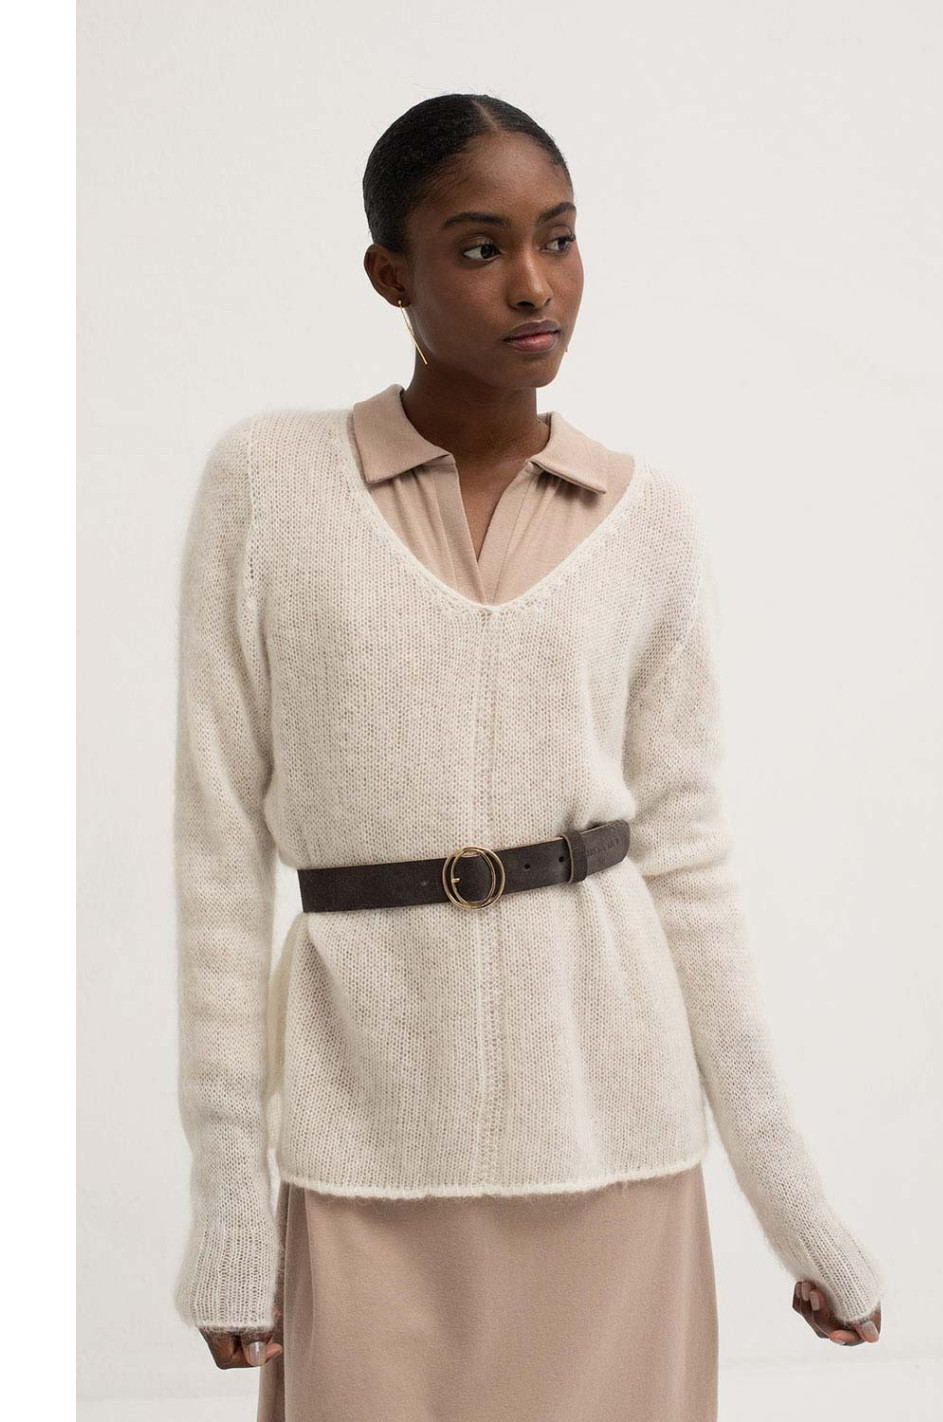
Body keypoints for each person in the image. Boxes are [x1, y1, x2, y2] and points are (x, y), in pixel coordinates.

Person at [171, 93, 884, 1421]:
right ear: (391, 273)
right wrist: (228, 1199)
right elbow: (217, 855)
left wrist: (798, 1207)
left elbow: (688, 865)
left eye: (558, 237)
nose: (535, 283)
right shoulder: (267, 486)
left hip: (614, 1141)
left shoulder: (648, 520)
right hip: (365, 1140)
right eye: (480, 247)